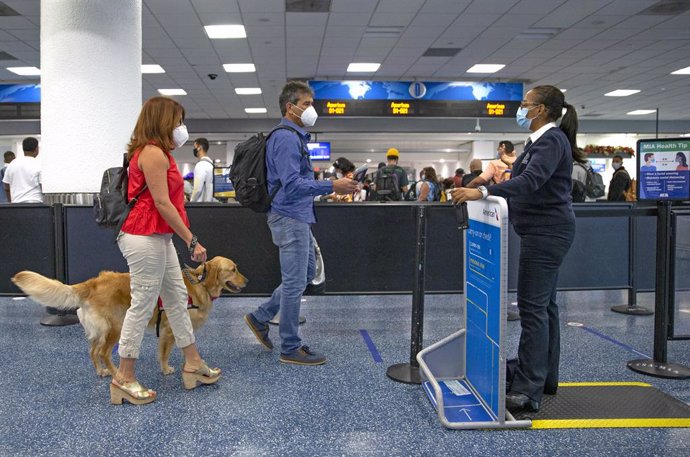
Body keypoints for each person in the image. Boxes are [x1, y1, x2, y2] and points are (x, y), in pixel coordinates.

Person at [452, 85, 581, 414]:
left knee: (532, 310)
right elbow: (528, 177)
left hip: (546, 234)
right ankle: (544, 376)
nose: (521, 108)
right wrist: (489, 179)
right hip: (544, 231)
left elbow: (531, 181)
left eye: (526, 104)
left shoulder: (551, 140)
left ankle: (528, 389)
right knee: (546, 308)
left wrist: (480, 194)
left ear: (541, 110)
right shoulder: (541, 142)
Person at [112, 96, 220, 406]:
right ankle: (124, 377)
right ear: (163, 122)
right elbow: (162, 203)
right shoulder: (153, 154)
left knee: (176, 297)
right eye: (178, 121)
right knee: (143, 304)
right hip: (143, 234)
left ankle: (193, 362)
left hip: (156, 234)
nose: (181, 128)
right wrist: (191, 239)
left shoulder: (159, 153)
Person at [244, 81, 358, 366]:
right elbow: (292, 184)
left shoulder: (296, 137)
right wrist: (332, 185)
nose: (311, 109)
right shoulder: (285, 138)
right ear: (290, 107)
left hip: (298, 217)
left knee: (306, 273)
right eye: (306, 104)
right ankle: (290, 346)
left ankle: (260, 317)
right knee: (295, 282)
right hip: (289, 217)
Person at [2, 137, 42, 203]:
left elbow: (6, 187)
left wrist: (10, 203)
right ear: (36, 149)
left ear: (23, 149)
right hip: (35, 204)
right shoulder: (38, 164)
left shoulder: (12, 164)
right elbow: (42, 186)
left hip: (16, 205)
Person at [190, 137, 215, 202]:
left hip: (200, 205)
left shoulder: (201, 165)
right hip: (210, 203)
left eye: (195, 147)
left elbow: (197, 189)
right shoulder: (211, 165)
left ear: (199, 147)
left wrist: (191, 201)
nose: (194, 149)